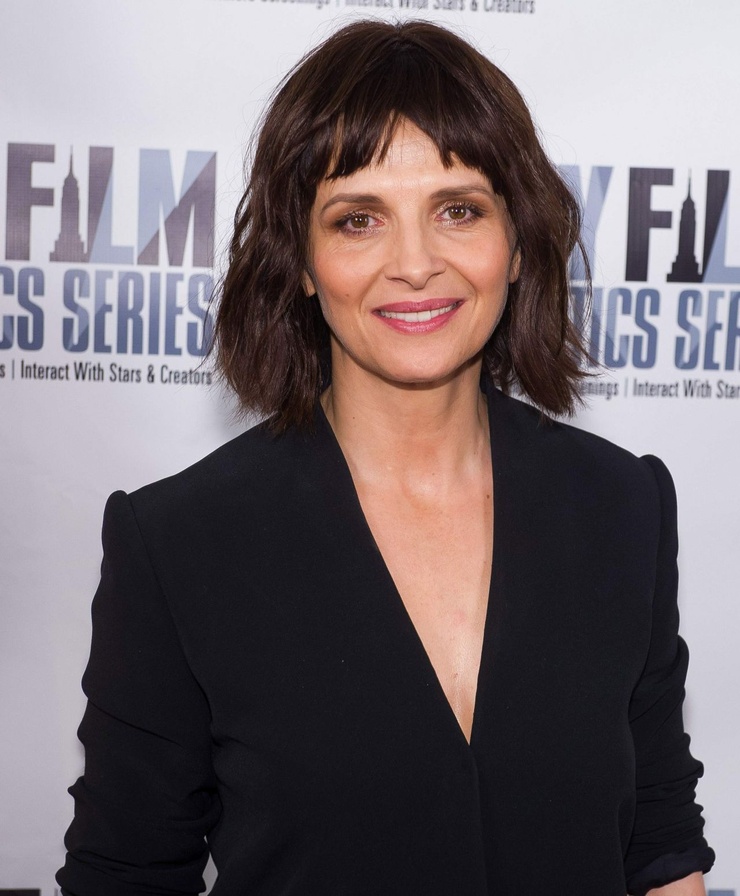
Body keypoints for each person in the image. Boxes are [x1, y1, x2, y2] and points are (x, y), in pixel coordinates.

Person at [57, 19, 714, 896]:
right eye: (358, 219)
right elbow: (126, 874)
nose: (414, 264)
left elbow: (661, 846)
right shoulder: (178, 543)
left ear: (518, 242)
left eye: (458, 210)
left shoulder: (623, 503)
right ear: (301, 260)